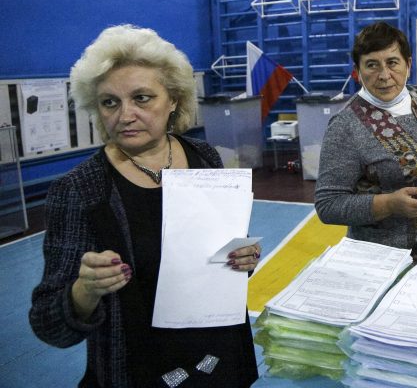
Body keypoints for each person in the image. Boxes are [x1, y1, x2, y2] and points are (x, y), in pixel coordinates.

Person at [29, 25, 260, 387]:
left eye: (142, 98)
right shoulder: (78, 189)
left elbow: (221, 261)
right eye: (110, 102)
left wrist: (242, 259)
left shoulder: (205, 157)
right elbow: (49, 325)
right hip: (137, 371)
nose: (125, 115)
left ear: (173, 100)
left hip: (221, 359)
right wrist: (85, 291)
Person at [315, 21, 417, 261]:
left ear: (408, 64)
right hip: (387, 261)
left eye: (392, 62)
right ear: (357, 71)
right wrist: (388, 204)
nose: (384, 75)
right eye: (372, 65)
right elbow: (328, 205)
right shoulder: (346, 125)